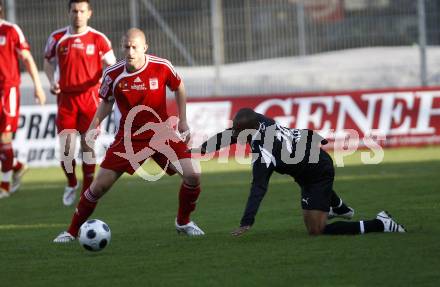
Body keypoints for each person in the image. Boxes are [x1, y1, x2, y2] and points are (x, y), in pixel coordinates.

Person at [53, 28, 204, 243]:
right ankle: (71, 231)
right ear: (122, 47)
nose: (130, 51)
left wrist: (183, 119)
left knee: (193, 174)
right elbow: (106, 102)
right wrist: (95, 125)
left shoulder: (161, 66)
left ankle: (183, 221)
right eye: (126, 47)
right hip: (129, 138)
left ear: (145, 47)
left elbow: (179, 87)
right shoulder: (113, 74)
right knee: (98, 187)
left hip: (161, 133)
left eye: (135, 47)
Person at [194, 108, 406, 236]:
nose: (235, 133)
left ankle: (381, 224)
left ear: (251, 128)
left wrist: (246, 222)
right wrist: (201, 149)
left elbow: (259, 187)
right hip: (306, 170)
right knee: (310, 192)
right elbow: (229, 135)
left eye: (239, 131)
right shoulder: (259, 120)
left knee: (316, 231)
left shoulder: (264, 151)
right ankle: (339, 209)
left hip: (317, 172)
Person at [43, 0, 116, 206]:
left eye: (82, 11)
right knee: (66, 150)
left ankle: (87, 190)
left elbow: (112, 66)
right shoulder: (57, 38)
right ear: (69, 12)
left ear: (89, 13)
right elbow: (47, 61)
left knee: (87, 145)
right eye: (74, 11)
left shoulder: (99, 39)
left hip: (90, 99)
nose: (78, 15)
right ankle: (72, 182)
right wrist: (51, 81)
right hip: (66, 99)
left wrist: (107, 86)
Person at [0, 0, 46, 199]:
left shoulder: (10, 30)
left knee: (5, 137)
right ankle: (18, 166)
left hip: (7, 91)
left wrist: (37, 86)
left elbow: (27, 58)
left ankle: (4, 187)